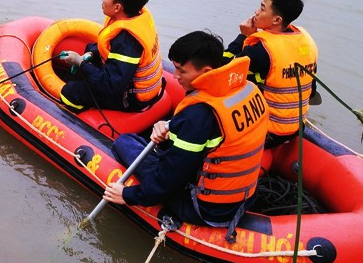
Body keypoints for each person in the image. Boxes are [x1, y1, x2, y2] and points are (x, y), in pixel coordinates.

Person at [104, 31, 268, 241]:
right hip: (244, 198)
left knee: (125, 143)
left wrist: (127, 195)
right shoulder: (248, 89)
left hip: (204, 208)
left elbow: (169, 179)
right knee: (156, 146)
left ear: (206, 71)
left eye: (182, 70)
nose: (175, 76)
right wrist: (172, 129)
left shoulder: (198, 114)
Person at [224, 0, 318, 148]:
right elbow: (312, 91)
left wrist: (243, 36)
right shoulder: (305, 39)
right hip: (296, 128)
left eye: (262, 8)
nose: (256, 11)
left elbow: (221, 71)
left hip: (267, 132)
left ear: (276, 20)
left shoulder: (262, 51)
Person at [60, 0, 163, 112]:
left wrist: (80, 63)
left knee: (70, 92)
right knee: (90, 48)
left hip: (131, 99)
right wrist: (90, 54)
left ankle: (82, 115)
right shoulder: (134, 18)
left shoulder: (126, 41)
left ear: (117, 7)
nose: (102, 0)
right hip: (127, 79)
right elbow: (107, 48)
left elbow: (111, 85)